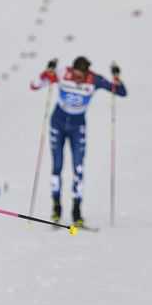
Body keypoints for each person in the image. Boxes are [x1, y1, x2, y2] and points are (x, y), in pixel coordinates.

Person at [32, 56, 127, 226]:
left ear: (87, 73)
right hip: (58, 124)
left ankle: (76, 211)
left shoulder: (94, 80)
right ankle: (56, 207)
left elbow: (121, 92)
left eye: (81, 77)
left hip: (77, 127)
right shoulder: (62, 74)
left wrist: (116, 78)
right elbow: (34, 85)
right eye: (75, 75)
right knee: (57, 166)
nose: (78, 79)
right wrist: (47, 72)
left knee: (78, 168)